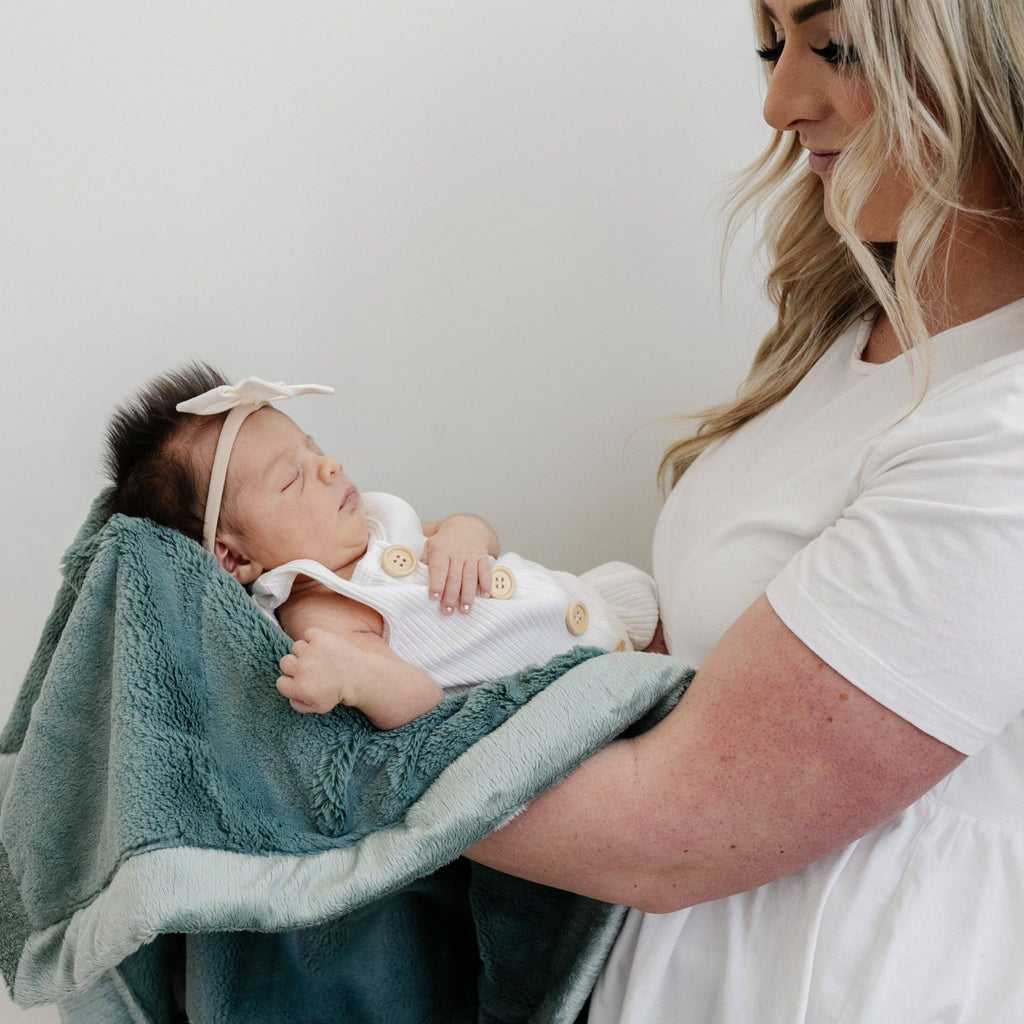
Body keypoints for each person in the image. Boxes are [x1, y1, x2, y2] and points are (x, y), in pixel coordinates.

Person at [461, 0, 1024, 1020]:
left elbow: (672, 830)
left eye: (833, 47)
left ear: (987, 52)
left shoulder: (1004, 429)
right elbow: (699, 655)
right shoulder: (852, 335)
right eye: (772, 46)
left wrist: (332, 759)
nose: (778, 102)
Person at [104, 365, 659, 729]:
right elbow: (419, 701)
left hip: (595, 596)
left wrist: (464, 535)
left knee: (647, 594)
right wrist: (356, 678)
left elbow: (472, 529)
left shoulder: (377, 522)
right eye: (291, 478)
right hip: (580, 691)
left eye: (314, 448)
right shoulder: (322, 609)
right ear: (236, 558)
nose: (330, 465)